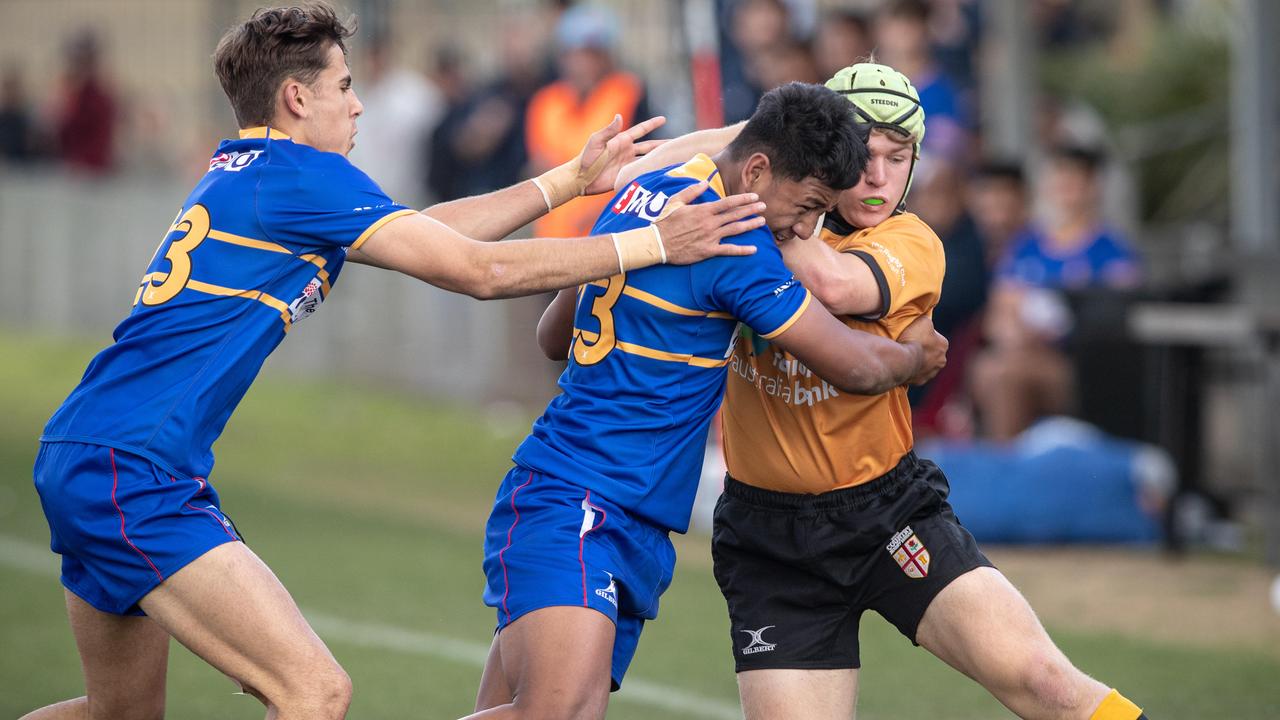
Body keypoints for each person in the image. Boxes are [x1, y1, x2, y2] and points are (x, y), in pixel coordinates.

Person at [20, 4, 769, 720]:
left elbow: (431, 233)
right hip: (130, 467)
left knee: (118, 713)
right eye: (344, 88)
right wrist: (654, 243)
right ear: (294, 98)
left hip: (95, 451)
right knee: (316, 694)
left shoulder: (255, 169)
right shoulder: (300, 175)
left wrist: (567, 183)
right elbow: (479, 273)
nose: (357, 107)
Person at [616, 62, 1150, 720]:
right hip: (768, 538)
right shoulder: (763, 208)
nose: (876, 178)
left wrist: (755, 203)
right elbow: (627, 176)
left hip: (888, 514)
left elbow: (837, 285)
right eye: (861, 153)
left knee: (1043, 681)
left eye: (898, 158)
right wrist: (759, 139)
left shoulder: (909, 240)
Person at [467, 81, 948, 720]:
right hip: (584, 498)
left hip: (605, 499)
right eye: (806, 206)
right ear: (757, 171)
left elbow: (553, 335)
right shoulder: (734, 241)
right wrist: (920, 352)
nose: (805, 229)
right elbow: (857, 366)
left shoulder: (657, 187)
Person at [971, 143, 1143, 440]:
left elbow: (1115, 324)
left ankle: (1004, 471)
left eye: (1075, 180)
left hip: (1074, 366)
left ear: (1093, 187)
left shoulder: (1114, 252)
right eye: (1059, 179)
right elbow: (1000, 315)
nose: (1066, 189)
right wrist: (1017, 334)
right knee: (993, 369)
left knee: (1002, 374)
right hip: (1020, 355)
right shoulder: (1026, 247)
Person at [525, 4, 650, 239]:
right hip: (552, 238)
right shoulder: (546, 103)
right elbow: (538, 167)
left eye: (592, 55)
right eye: (574, 54)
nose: (581, 64)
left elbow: (643, 166)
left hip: (610, 234)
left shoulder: (629, 93)